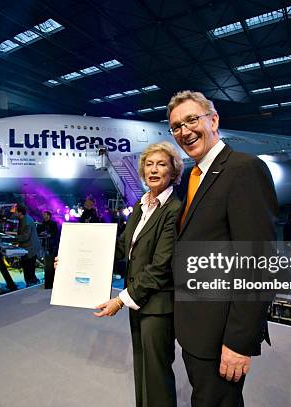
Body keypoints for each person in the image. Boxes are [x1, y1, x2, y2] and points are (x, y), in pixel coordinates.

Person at [168, 91, 278, 406]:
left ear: (213, 120)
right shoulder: (193, 174)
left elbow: (258, 261)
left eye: (191, 120)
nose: (184, 131)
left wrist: (240, 342)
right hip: (195, 327)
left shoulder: (244, 169)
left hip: (221, 334)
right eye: (176, 126)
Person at [93, 141, 183, 407]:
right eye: (149, 164)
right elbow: (121, 247)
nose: (154, 170)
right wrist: (76, 262)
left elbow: (161, 266)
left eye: (161, 164)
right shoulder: (140, 207)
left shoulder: (174, 210)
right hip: (138, 301)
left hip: (158, 306)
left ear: (173, 172)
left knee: (157, 374)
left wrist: (120, 300)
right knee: (142, 368)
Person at [14, 204, 41, 287]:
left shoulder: (27, 221)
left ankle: (31, 285)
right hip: (27, 246)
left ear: (20, 213)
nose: (15, 213)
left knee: (29, 268)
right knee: (27, 267)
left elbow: (25, 237)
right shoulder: (22, 219)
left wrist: (13, 237)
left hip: (31, 247)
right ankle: (31, 282)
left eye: (16, 212)